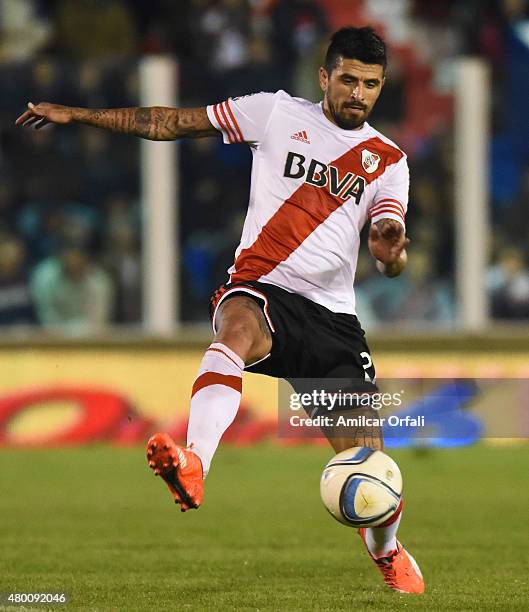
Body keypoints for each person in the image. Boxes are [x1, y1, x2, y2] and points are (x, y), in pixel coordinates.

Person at [16, 26, 424, 594]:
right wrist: (79, 115)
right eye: (349, 79)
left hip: (331, 320)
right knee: (236, 326)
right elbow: (169, 122)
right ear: (324, 76)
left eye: (371, 85)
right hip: (263, 286)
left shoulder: (389, 160)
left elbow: (390, 241)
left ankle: (388, 553)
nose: (359, 93)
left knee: (373, 473)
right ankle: (195, 465)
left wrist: (389, 250)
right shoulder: (274, 114)